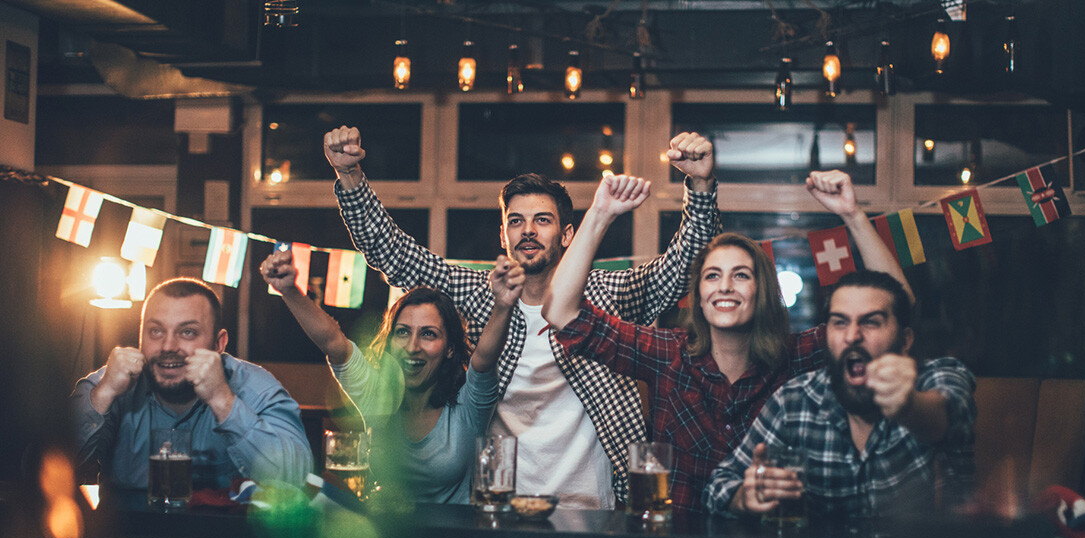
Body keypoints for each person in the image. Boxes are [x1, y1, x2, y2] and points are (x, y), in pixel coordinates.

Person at [325, 126, 721, 508]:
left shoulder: (608, 295)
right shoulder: (482, 295)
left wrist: (701, 187)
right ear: (503, 236)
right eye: (516, 221)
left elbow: (684, 270)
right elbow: (394, 254)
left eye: (542, 220)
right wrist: (350, 175)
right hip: (499, 505)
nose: (527, 231)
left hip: (596, 506)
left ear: (567, 235)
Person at [542, 170, 914, 515]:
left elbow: (896, 310)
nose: (724, 287)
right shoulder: (668, 353)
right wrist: (601, 213)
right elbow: (561, 312)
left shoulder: (795, 356)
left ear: (762, 291)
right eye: (712, 276)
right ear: (699, 294)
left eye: (741, 276)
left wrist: (853, 215)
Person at [704, 270, 976, 521]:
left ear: (905, 340)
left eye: (871, 322)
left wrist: (907, 406)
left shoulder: (938, 377)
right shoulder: (795, 401)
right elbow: (719, 485)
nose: (852, 336)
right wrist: (744, 497)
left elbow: (942, 418)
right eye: (840, 322)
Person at [260, 248, 523, 503]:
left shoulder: (469, 404)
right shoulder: (375, 394)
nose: (412, 346)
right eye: (403, 332)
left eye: (428, 334)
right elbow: (332, 341)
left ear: (450, 349)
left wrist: (502, 305)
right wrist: (289, 290)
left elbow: (484, 359)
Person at [70, 278, 312, 490]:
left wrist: (222, 400)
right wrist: (104, 394)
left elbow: (298, 480)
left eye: (187, 332)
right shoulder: (109, 383)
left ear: (219, 344)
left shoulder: (256, 387)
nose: (167, 346)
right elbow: (49, 469)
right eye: (155, 331)